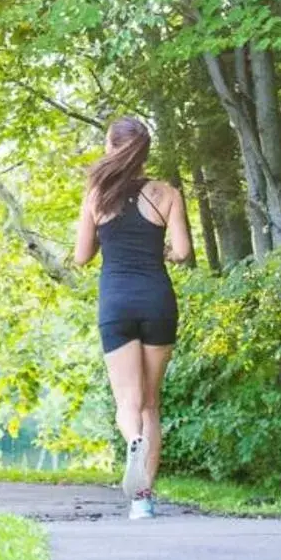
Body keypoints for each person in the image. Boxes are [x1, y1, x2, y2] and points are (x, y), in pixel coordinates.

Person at [72, 113, 193, 519]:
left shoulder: (96, 194)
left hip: (116, 303)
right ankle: (144, 502)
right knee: (151, 404)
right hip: (157, 301)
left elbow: (82, 256)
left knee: (129, 401)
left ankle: (132, 442)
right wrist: (161, 253)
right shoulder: (167, 193)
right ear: (144, 153)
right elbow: (182, 251)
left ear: (112, 148)